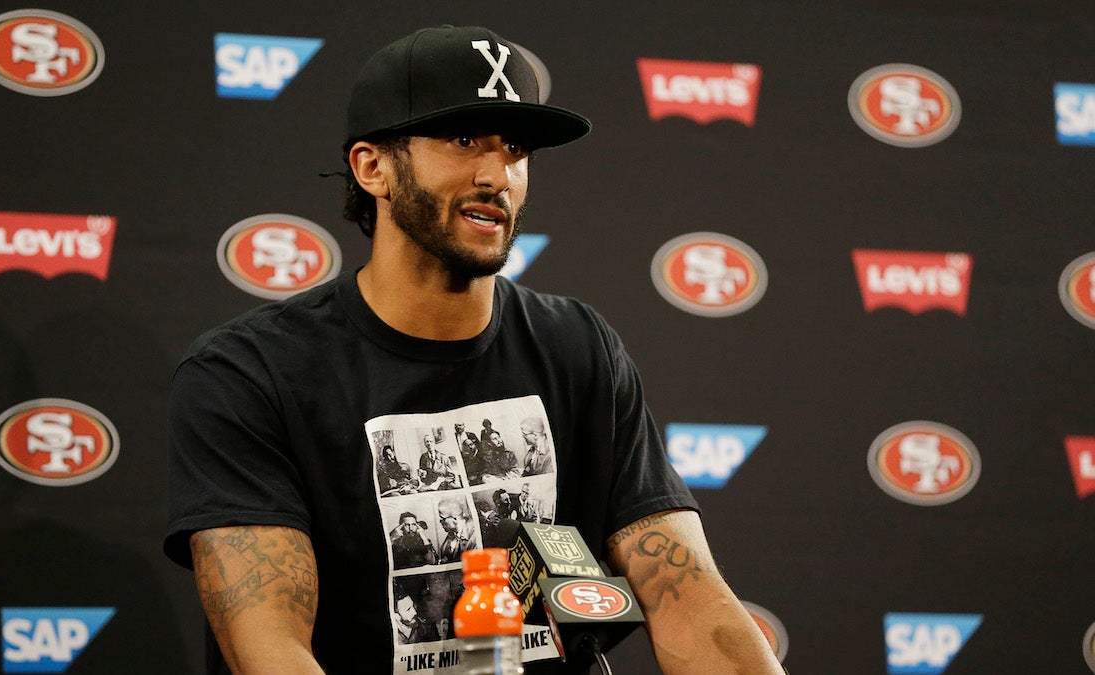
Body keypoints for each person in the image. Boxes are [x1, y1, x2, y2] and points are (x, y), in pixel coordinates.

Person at [165, 24, 784, 674]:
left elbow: (690, 598)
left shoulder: (578, 347)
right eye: (464, 141)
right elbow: (267, 646)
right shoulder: (249, 373)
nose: (498, 175)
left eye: (514, 148)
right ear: (372, 166)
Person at [435, 496, 477, 562]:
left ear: (455, 518)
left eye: (443, 519)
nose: (440, 522)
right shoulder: (450, 537)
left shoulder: (475, 535)